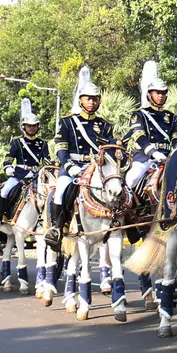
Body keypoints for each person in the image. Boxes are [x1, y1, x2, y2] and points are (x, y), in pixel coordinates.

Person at [48, 67, 115, 246]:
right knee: (60, 192)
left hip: (97, 168)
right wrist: (69, 166)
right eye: (88, 98)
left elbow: (110, 150)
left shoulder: (105, 125)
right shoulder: (67, 122)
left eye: (95, 98)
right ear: (80, 100)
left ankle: (117, 222)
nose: (92, 102)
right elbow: (61, 148)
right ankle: (56, 228)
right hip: (74, 166)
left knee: (116, 189)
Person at [0, 98, 49, 232]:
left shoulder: (43, 143)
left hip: (36, 175)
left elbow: (47, 160)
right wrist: (8, 167)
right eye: (29, 126)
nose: (31, 128)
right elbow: (8, 158)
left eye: (34, 125)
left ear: (37, 127)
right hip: (19, 174)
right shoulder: (17, 142)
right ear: (24, 127)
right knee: (5, 191)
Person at [124, 61, 177, 191]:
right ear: (149, 95)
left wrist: (174, 153)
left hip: (168, 157)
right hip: (145, 158)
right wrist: (154, 153)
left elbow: (176, 137)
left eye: (163, 93)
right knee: (131, 179)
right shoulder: (139, 115)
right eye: (157, 92)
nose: (160, 96)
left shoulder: (172, 116)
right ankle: (127, 202)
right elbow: (139, 137)